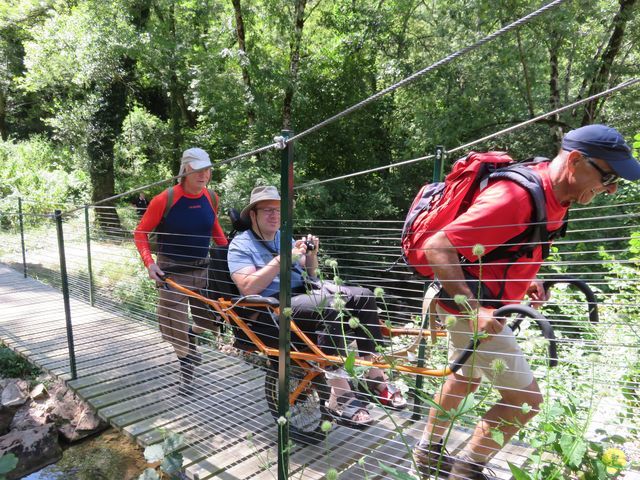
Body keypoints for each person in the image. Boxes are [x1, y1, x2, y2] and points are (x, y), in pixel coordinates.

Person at [412, 124, 640, 479]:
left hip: (473, 304)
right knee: (525, 401)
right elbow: (438, 247)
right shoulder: (514, 198)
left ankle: (427, 452)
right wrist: (475, 311)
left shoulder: (556, 194)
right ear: (576, 161)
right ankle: (465, 471)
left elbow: (509, 243)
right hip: (470, 307)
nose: (610, 189)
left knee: (466, 378)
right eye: (608, 177)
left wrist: (526, 277)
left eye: (616, 182)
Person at [227, 185, 407, 427]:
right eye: (268, 210)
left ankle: (375, 376)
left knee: (364, 295)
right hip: (272, 309)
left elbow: (311, 273)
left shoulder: (284, 237)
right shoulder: (241, 245)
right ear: (253, 214)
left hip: (306, 296)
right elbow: (248, 288)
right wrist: (281, 260)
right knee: (328, 304)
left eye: (279, 211)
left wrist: (312, 255)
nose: (275, 215)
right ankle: (339, 392)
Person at [134, 148, 228, 395]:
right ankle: (187, 376)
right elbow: (140, 232)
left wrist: (230, 254)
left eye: (207, 169)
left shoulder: (211, 197)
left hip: (203, 269)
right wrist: (149, 263)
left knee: (211, 320)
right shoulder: (164, 199)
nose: (203, 174)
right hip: (171, 272)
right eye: (197, 169)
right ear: (185, 170)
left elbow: (214, 230)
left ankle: (189, 334)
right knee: (174, 325)